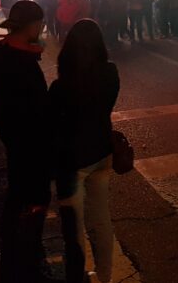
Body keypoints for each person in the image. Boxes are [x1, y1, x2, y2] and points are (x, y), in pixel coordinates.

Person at [0, 1, 52, 281]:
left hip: (10, 131)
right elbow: (38, 106)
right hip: (29, 138)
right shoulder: (22, 62)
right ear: (34, 25)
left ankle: (13, 244)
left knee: (17, 188)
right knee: (33, 194)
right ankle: (24, 256)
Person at [50, 20, 119, 283]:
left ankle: (79, 275)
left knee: (74, 225)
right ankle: (105, 276)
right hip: (102, 153)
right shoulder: (111, 73)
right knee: (101, 219)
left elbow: (54, 123)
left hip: (72, 162)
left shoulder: (61, 87)